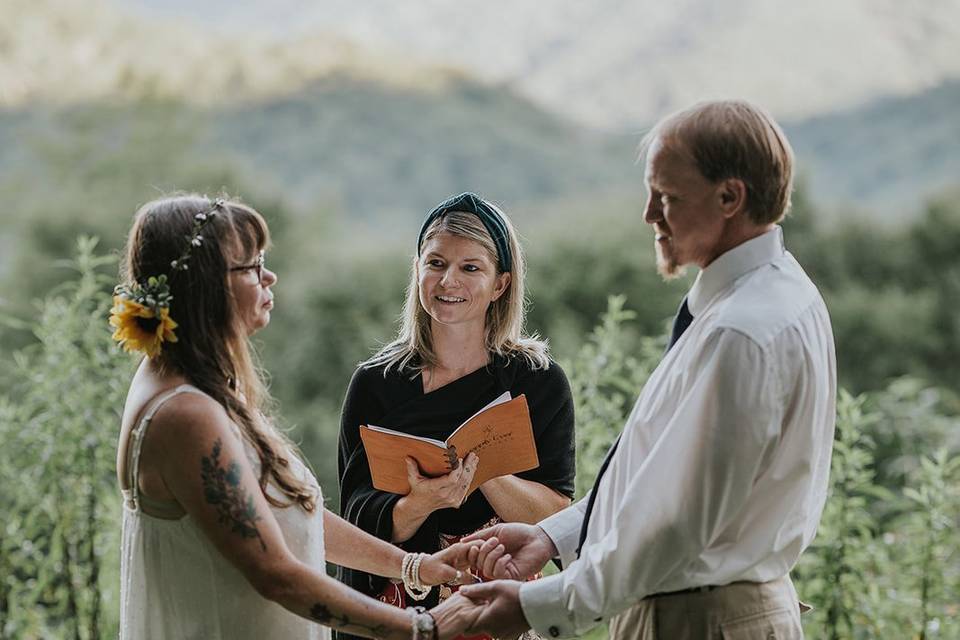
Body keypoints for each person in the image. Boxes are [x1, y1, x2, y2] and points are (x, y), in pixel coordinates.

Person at [457, 100, 838, 639]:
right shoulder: (778, 296)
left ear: (730, 197)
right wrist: (554, 537)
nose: (649, 214)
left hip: (700, 622)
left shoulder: (742, 332)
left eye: (667, 195)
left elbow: (677, 523)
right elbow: (660, 475)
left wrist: (539, 604)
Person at [112, 194, 481, 640]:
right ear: (204, 284)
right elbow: (275, 574)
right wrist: (423, 627)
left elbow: (287, 512)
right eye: (250, 266)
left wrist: (414, 567)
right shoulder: (186, 412)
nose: (269, 276)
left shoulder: (197, 381)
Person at [336, 192, 576, 640]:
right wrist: (420, 503)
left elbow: (555, 516)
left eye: (470, 268)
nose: (449, 281)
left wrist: (482, 470)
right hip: (397, 606)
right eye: (436, 263)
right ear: (417, 269)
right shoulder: (375, 382)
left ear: (500, 284)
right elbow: (355, 515)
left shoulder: (538, 381)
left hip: (494, 605)